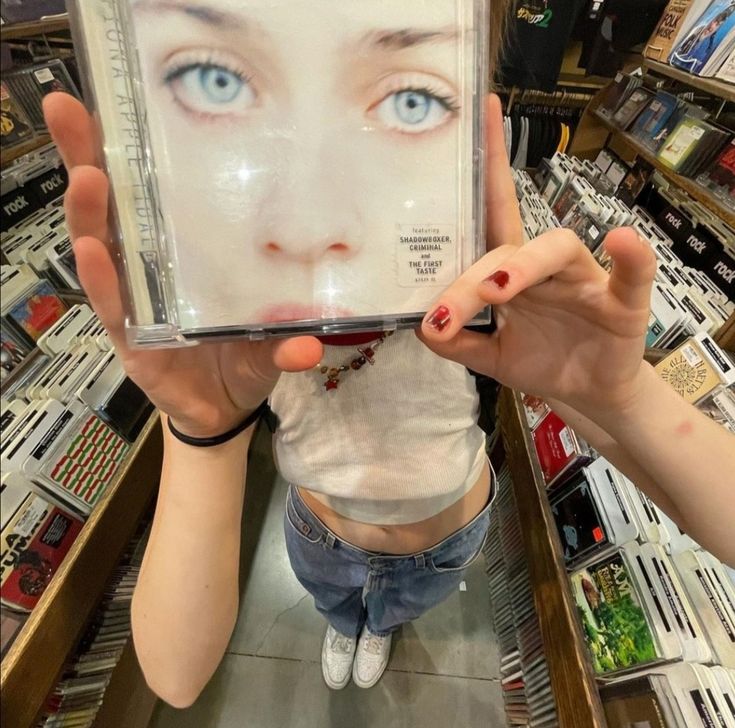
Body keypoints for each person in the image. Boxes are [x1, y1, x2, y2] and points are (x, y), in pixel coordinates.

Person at [43, 16, 734, 716]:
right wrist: (201, 436)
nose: (317, 223)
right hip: (318, 530)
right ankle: (348, 625)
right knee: (336, 606)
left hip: (447, 533)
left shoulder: (474, 285)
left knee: (396, 610)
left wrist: (622, 394)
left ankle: (379, 627)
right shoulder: (243, 307)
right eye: (218, 83)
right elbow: (176, 675)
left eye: (410, 99)